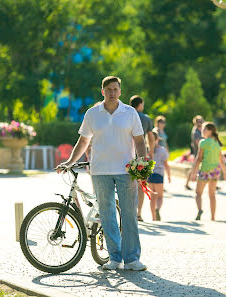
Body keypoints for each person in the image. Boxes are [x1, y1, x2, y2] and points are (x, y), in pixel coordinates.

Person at [57, 76, 147, 271]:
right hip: (100, 171)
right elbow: (83, 142)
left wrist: (142, 163)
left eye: (115, 89)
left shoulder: (130, 113)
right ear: (102, 91)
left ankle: (132, 259)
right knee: (107, 215)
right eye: (109, 89)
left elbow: (140, 141)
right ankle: (114, 258)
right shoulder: (92, 114)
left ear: (120, 91)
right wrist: (71, 161)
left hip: (127, 171)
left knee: (130, 214)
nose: (112, 92)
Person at [191, 122, 226, 221]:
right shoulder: (217, 143)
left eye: (204, 129)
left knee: (198, 193)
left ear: (210, 131)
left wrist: (193, 173)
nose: (202, 131)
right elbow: (221, 160)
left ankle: (200, 210)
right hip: (215, 171)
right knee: (212, 195)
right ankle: (213, 217)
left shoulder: (203, 142)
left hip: (205, 170)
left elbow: (199, 158)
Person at [130, 95, 155, 222]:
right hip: (141, 154)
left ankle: (128, 212)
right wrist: (151, 152)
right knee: (141, 185)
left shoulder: (126, 116)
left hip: (126, 154)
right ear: (140, 105)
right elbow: (150, 137)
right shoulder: (145, 118)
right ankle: (139, 213)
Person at [148, 131, 171, 221]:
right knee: (159, 196)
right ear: (158, 139)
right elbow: (166, 164)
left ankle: (153, 217)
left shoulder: (146, 150)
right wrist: (169, 176)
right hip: (159, 175)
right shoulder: (162, 150)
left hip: (149, 175)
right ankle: (157, 209)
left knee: (152, 198)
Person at [185, 115, 204, 190]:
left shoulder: (200, 130)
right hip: (198, 153)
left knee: (194, 168)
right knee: (194, 168)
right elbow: (197, 143)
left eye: (201, 121)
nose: (200, 122)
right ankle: (186, 184)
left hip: (201, 152)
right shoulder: (196, 132)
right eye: (199, 121)